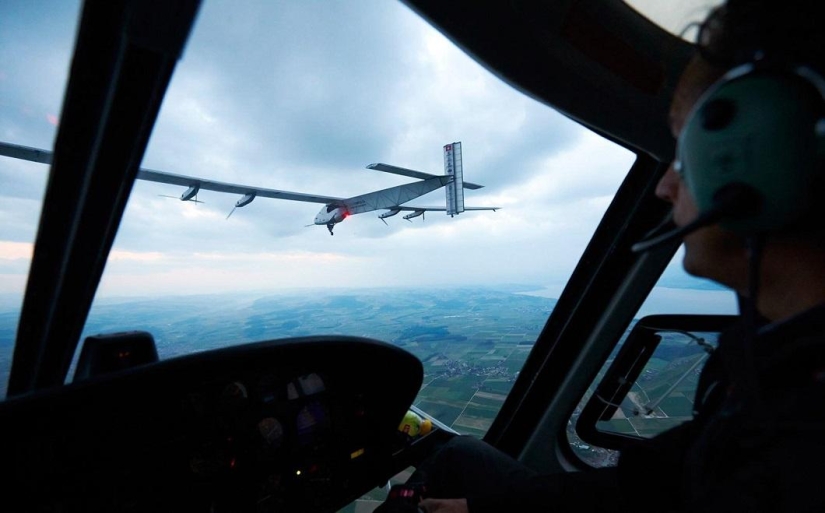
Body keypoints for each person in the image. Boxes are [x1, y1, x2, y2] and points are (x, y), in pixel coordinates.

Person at [378, 1, 825, 511]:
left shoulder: (802, 440)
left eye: (683, 154)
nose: (664, 186)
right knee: (461, 457)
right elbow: (652, 484)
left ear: (778, 155)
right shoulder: (773, 361)